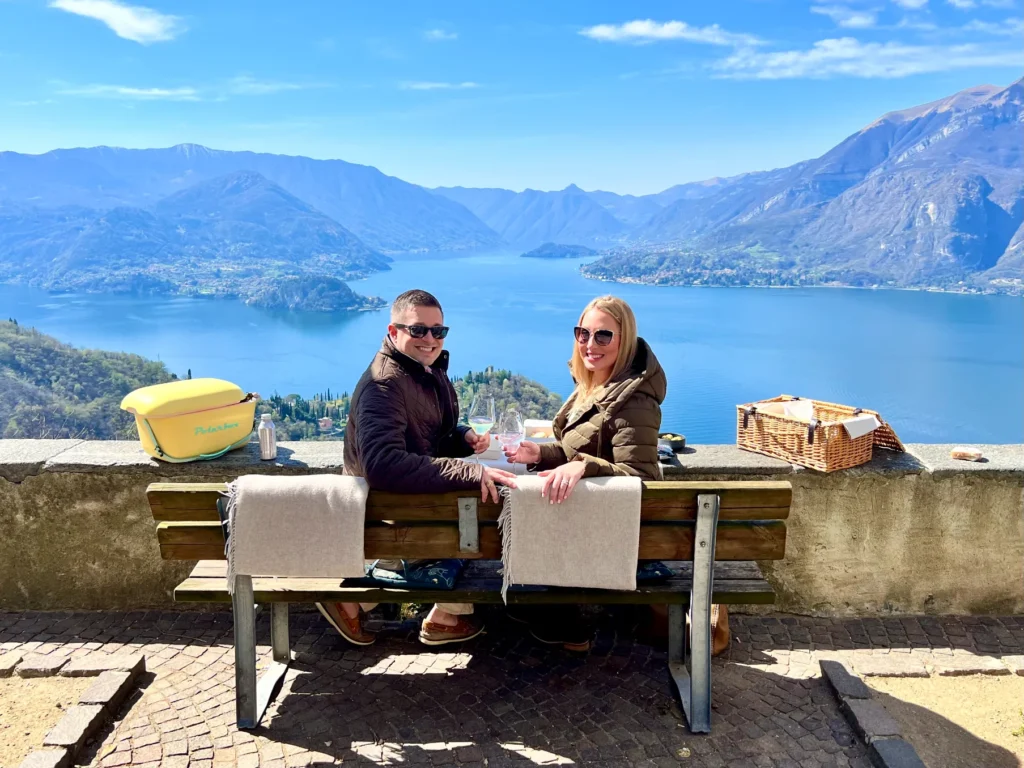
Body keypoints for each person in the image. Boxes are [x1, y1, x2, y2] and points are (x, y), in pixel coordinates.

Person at [316, 289, 517, 646]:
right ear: (394, 332)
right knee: (488, 512)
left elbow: (426, 437)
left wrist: (463, 437)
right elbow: (383, 464)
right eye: (418, 330)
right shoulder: (383, 385)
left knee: (486, 498)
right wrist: (469, 470)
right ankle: (449, 615)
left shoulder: (419, 371)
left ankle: (362, 603)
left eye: (438, 331)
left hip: (402, 505)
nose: (430, 339)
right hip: (391, 512)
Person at [504, 295, 667, 651]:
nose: (589, 345)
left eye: (603, 336)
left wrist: (585, 466)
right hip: (587, 520)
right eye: (583, 333)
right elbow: (578, 446)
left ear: (625, 341)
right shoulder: (597, 383)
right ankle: (552, 611)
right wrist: (541, 453)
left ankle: (564, 619)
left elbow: (643, 478)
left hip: (607, 532)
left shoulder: (633, 399)